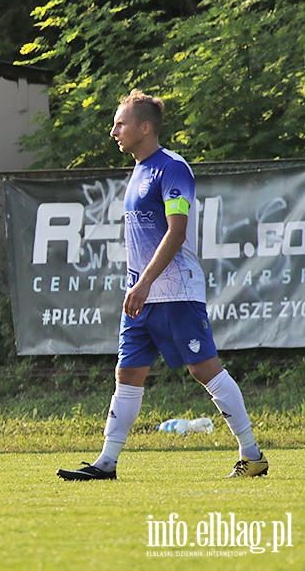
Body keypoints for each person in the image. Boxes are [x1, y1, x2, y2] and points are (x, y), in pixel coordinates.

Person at [57, 90, 268, 481]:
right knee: (128, 374)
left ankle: (252, 454)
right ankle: (106, 463)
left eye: (120, 123)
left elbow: (177, 232)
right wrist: (138, 284)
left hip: (175, 292)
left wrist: (146, 281)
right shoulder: (138, 171)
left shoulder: (171, 167)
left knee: (205, 370)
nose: (113, 131)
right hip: (142, 293)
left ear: (145, 127)